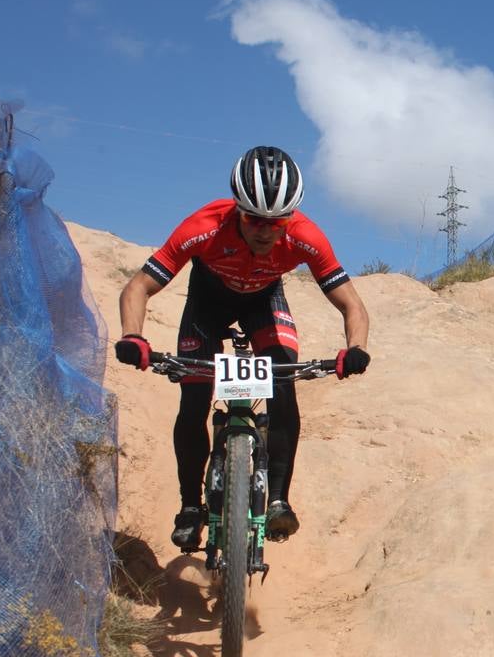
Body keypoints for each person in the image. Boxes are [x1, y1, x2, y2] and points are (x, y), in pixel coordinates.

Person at [114, 146, 371, 550]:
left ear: (291, 216)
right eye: (254, 220)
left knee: (284, 387)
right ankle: (189, 506)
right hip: (206, 307)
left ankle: (279, 500)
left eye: (277, 221)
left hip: (263, 305)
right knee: (195, 396)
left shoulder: (306, 237)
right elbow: (138, 288)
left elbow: (351, 303)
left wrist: (355, 347)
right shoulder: (203, 226)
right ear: (237, 209)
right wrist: (133, 336)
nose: (266, 231)